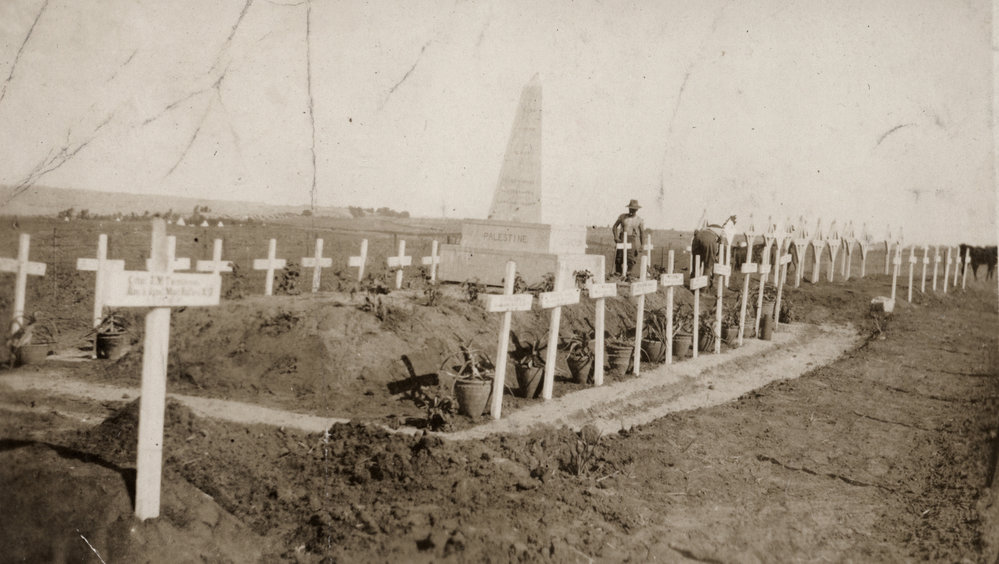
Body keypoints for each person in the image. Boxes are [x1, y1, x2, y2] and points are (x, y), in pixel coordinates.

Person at [612, 199, 645, 278]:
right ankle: (618, 274)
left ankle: (628, 274)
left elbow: (642, 233)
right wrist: (616, 237)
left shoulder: (639, 220)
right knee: (619, 257)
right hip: (622, 238)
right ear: (628, 208)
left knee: (631, 258)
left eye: (634, 209)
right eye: (630, 209)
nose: (632, 211)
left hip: (632, 239)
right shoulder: (623, 217)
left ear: (637, 210)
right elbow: (614, 227)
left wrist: (642, 244)